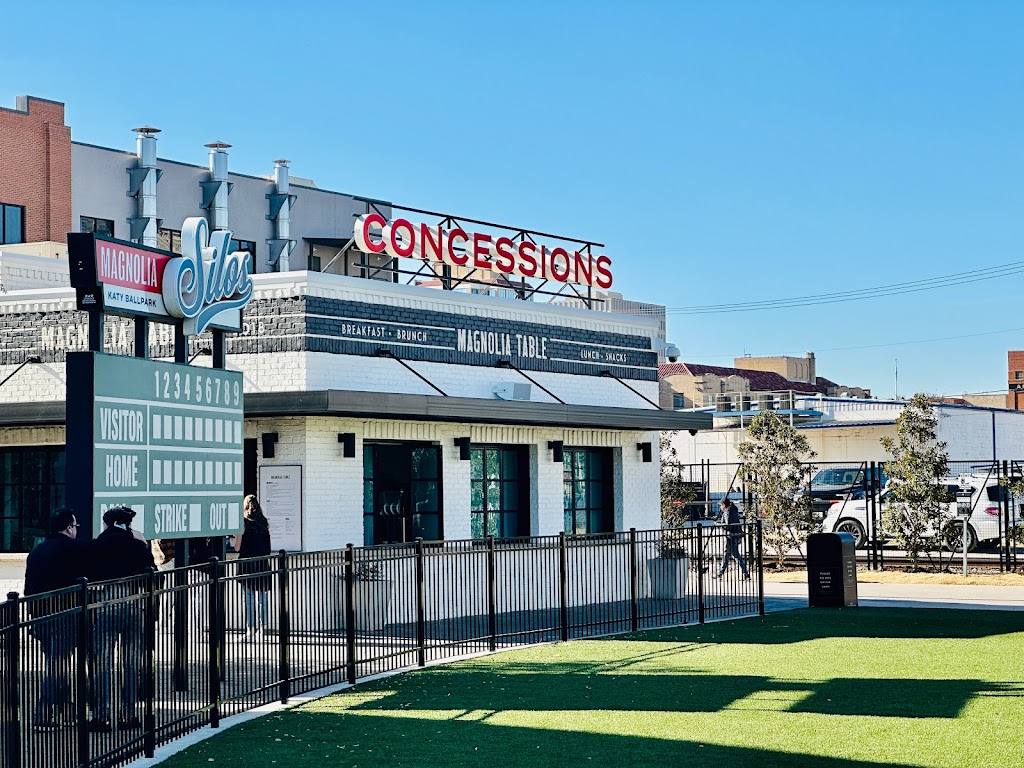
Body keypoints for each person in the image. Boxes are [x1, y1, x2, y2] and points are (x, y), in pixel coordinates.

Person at [87, 506, 155, 732]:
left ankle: (102, 716)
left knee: (103, 663)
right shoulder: (137, 545)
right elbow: (151, 573)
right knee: (131, 662)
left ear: (107, 524)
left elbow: (90, 579)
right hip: (134, 602)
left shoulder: (97, 545)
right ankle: (129, 714)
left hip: (105, 604)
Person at [24, 507, 86, 730]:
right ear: (69, 528)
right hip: (63, 613)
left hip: (40, 614)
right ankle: (44, 713)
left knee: (57, 662)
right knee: (57, 665)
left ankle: (66, 710)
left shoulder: (37, 550)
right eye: (75, 526)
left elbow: (29, 585)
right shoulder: (72, 548)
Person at [235, 495, 272, 637]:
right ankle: (263, 630)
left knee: (249, 598)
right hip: (262, 564)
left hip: (246, 564)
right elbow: (268, 548)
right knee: (262, 598)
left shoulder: (243, 523)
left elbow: (237, 547)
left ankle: (250, 629)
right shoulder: (264, 523)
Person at [713, 498, 750, 580]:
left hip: (731, 536)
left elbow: (727, 525)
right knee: (726, 554)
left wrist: (717, 524)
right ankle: (720, 573)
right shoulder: (734, 509)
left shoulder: (727, 512)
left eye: (720, 505)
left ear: (723, 505)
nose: (720, 508)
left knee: (735, 554)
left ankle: (745, 573)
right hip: (736, 534)